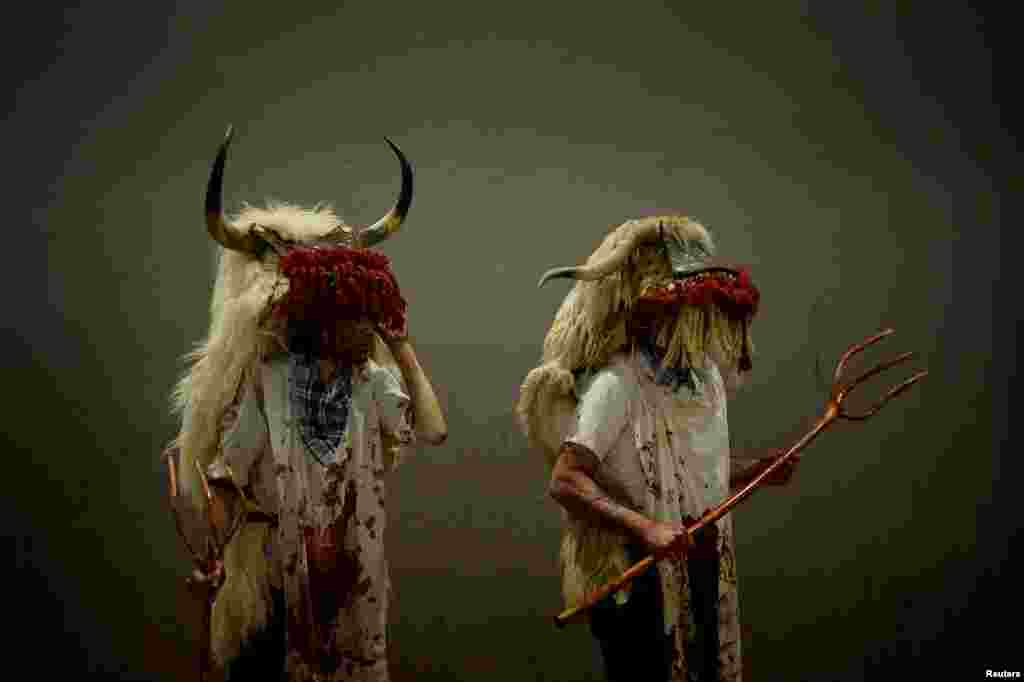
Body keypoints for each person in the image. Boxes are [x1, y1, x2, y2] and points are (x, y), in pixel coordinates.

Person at [170, 128, 446, 681]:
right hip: (281, 577)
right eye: (351, 312)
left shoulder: (370, 383)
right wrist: (206, 536)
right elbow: (229, 483)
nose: (361, 324)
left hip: (353, 579)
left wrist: (402, 348)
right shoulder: (267, 385)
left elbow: (432, 430)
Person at [517, 215, 791, 681]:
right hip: (637, 570)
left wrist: (754, 471)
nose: (701, 319)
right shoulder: (617, 386)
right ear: (653, 311)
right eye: (689, 308)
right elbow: (565, 481)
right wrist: (645, 527)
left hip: (701, 557)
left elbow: (690, 475)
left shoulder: (707, 384)